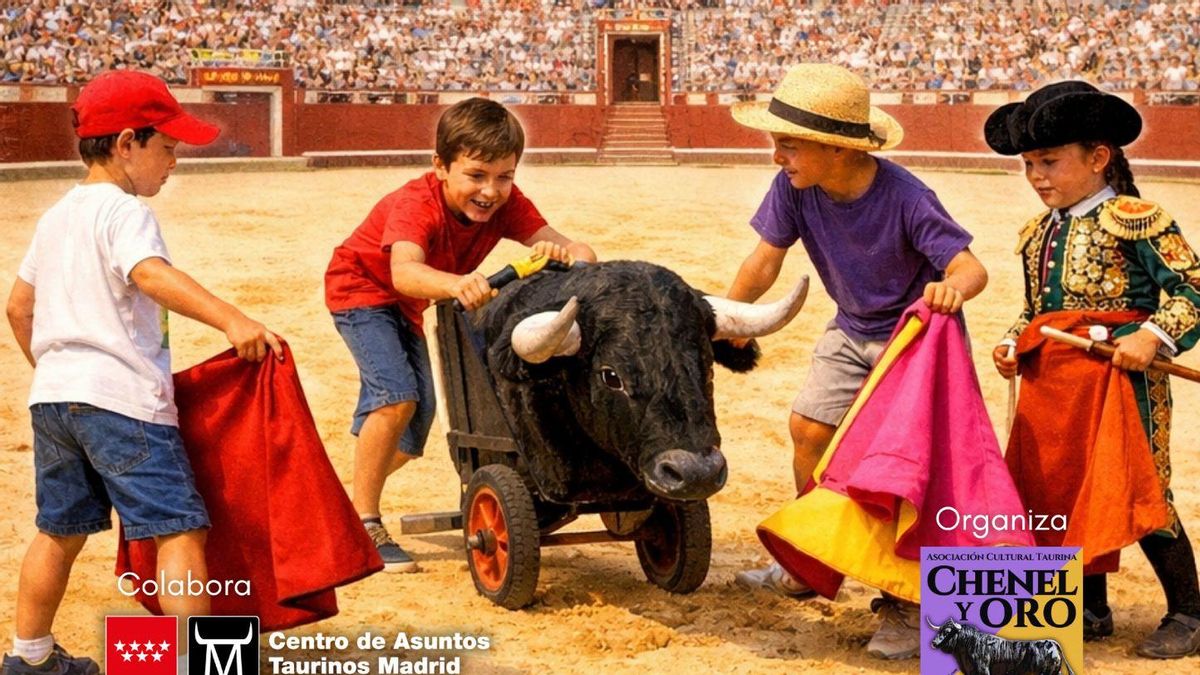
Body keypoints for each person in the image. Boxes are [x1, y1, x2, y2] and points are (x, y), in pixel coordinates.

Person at [3, 70, 281, 675]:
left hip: (53, 399)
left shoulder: (57, 216)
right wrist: (231, 320)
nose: (175, 160)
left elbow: (19, 307)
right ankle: (198, 666)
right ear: (127, 143)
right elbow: (149, 274)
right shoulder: (123, 211)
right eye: (169, 146)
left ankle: (30, 658)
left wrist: (59, 373)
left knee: (58, 531)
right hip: (123, 401)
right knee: (180, 531)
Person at [723, 63, 987, 660]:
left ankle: (906, 602)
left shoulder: (909, 196)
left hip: (912, 345)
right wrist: (728, 316)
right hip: (851, 330)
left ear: (834, 147)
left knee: (900, 471)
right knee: (808, 429)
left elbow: (971, 268)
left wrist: (952, 290)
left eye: (788, 146)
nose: (777, 158)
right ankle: (807, 561)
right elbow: (764, 260)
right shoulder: (795, 189)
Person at [323, 97, 596, 573]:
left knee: (414, 428)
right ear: (441, 167)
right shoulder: (416, 203)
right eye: (476, 175)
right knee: (395, 398)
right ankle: (363, 519)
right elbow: (405, 271)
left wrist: (573, 253)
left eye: (505, 176)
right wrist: (455, 283)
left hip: (408, 304)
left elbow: (574, 246)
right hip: (361, 291)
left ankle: (336, 498)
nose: (491, 191)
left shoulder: (507, 204)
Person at [988, 80, 1200, 659]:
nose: (1037, 176)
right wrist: (1012, 343)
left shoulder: (1136, 217)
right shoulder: (1039, 231)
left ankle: (1189, 610)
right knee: (1062, 490)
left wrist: (1151, 335)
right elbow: (1037, 311)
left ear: (1099, 158)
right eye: (1029, 164)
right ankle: (1089, 607)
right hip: (1055, 381)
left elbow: (1193, 288)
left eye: (1050, 162)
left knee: (1142, 488)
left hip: (1122, 379)